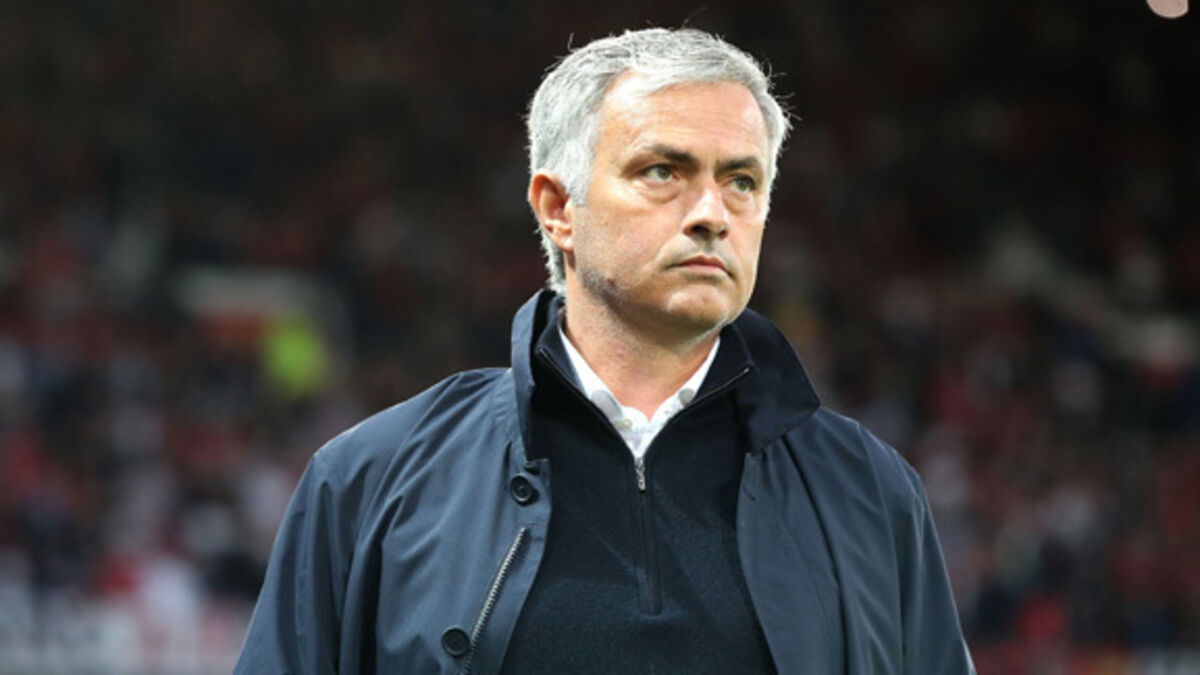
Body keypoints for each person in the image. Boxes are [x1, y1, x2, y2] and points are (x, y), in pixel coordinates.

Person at [236, 27, 975, 674]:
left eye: (741, 181)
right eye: (663, 172)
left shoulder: (869, 490)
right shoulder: (371, 481)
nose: (712, 214)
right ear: (558, 209)